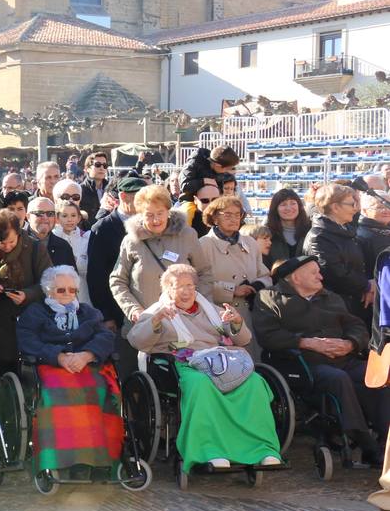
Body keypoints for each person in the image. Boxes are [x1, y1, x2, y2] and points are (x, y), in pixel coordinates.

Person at [126, 263, 282, 471]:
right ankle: (208, 450)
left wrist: (236, 322)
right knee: (200, 384)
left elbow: (244, 339)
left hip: (219, 362)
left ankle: (262, 449)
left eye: (190, 285)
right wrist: (156, 321)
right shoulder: (157, 312)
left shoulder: (212, 310)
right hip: (183, 364)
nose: (185, 291)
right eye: (177, 286)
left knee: (254, 382)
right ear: (167, 290)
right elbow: (136, 340)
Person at [254, 256, 385, 465]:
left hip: (342, 358)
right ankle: (365, 442)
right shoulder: (269, 298)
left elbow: (357, 326)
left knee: (379, 376)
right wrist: (305, 342)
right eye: (314, 272)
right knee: (338, 378)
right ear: (296, 277)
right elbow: (268, 336)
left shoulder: (330, 297)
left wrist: (350, 344)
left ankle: (386, 441)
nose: (321, 276)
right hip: (302, 364)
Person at [17, 265, 122, 479]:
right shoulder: (35, 312)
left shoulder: (88, 312)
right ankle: (64, 460)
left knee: (98, 389)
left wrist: (87, 355)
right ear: (48, 291)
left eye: (72, 290)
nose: (67, 294)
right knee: (56, 393)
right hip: (51, 365)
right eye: (60, 290)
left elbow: (105, 336)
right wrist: (58, 356)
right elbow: (27, 340)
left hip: (86, 365)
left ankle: (97, 459)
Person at [111, 184, 211, 328]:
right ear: (139, 214)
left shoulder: (187, 235)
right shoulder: (131, 241)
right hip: (144, 324)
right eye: (149, 215)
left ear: (168, 211)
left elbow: (204, 273)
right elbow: (117, 280)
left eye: (160, 213)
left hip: (185, 323)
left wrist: (195, 304)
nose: (156, 220)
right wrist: (133, 309)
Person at [0, 208, 50, 381]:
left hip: (32, 322)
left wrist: (27, 295)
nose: (7, 246)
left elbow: (48, 282)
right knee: (2, 379)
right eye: (1, 243)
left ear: (19, 233)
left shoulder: (35, 248)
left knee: (32, 380)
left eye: (11, 242)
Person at [197, 195, 270, 352]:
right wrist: (231, 290)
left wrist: (255, 286)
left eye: (238, 215)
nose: (234, 219)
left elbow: (265, 275)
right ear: (215, 217)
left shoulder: (250, 242)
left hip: (251, 314)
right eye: (228, 215)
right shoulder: (203, 245)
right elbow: (197, 283)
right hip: (220, 316)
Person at [86, 176, 144, 333]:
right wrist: (106, 315)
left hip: (146, 308)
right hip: (116, 311)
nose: (145, 202)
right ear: (123, 196)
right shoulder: (102, 228)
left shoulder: (149, 225)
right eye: (140, 197)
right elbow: (96, 276)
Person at [304, 183, 371, 318]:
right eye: (351, 204)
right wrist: (366, 285)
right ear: (335, 207)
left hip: (353, 302)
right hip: (334, 309)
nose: (355, 208)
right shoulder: (319, 237)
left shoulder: (345, 230)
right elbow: (335, 274)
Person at [264, 187, 310, 269]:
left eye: (293, 203)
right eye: (283, 204)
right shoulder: (267, 234)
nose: (289, 208)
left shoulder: (309, 230)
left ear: (299, 206)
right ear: (275, 209)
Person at [27, 196, 75, 269]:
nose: (45, 218)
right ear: (28, 217)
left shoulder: (63, 247)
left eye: (50, 213)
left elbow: (72, 278)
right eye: (39, 213)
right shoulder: (16, 243)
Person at [52, 200, 90, 286]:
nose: (69, 220)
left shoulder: (87, 238)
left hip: (83, 292)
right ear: (57, 218)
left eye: (73, 215)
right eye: (64, 216)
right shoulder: (52, 238)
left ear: (79, 218)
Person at [355, 191, 390, 277]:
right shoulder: (361, 235)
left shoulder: (384, 230)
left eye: (388, 205)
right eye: (379, 207)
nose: (386, 210)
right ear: (365, 210)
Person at [79, 152, 111, 221]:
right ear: (87, 168)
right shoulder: (80, 190)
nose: (102, 168)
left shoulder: (111, 189)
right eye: (97, 165)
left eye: (105, 165)